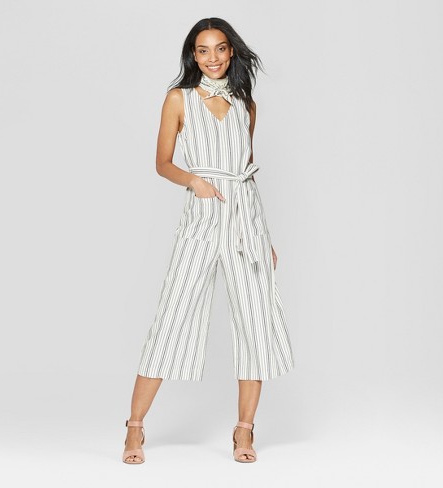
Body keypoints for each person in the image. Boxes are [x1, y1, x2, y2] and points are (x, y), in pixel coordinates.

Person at [122, 17, 295, 464]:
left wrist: (263, 236)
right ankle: (135, 428)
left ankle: (244, 431)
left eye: (220, 48)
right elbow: (162, 162)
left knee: (256, 324)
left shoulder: (246, 104)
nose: (212, 58)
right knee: (171, 319)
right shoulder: (178, 99)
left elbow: (247, 174)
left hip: (245, 222)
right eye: (203, 50)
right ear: (193, 56)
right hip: (201, 216)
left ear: (231, 51)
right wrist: (195, 182)